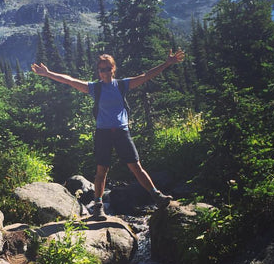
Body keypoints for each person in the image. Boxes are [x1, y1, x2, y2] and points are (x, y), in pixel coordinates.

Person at [31, 49, 185, 220]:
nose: (104, 72)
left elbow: (145, 76)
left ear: (113, 68)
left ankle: (157, 196)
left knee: (136, 167)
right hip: (103, 134)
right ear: (99, 71)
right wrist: (47, 73)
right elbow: (70, 80)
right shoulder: (94, 88)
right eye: (101, 69)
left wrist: (167, 63)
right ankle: (98, 207)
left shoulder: (122, 85)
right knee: (101, 171)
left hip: (121, 132)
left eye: (107, 68)